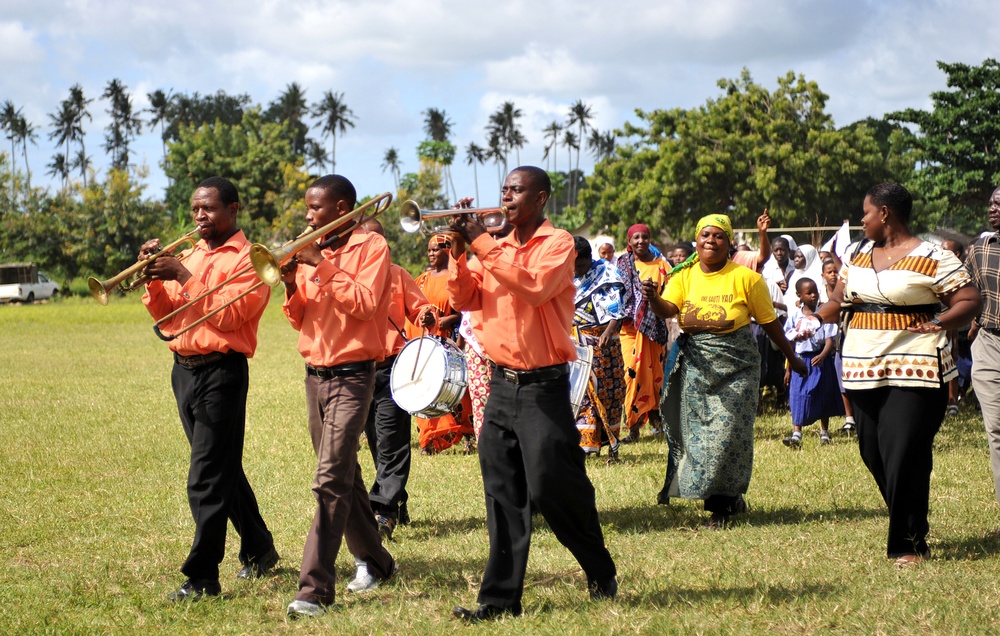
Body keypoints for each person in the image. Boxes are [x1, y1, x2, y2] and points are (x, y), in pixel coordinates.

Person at [447, 166, 617, 622]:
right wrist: (460, 252)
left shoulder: (558, 244)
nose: (506, 197)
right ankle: (499, 601)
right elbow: (464, 299)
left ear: (540, 198)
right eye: (504, 189)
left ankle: (599, 568)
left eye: (516, 190)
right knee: (501, 492)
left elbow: (536, 288)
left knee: (552, 487)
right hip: (500, 383)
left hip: (543, 386)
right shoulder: (493, 248)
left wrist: (481, 242)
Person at [809, 182, 979, 567]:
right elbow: (839, 300)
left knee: (902, 451)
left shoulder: (933, 256)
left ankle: (906, 544)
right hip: (863, 367)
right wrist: (816, 318)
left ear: (884, 213)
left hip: (918, 367)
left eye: (866, 212)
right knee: (874, 452)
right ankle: (914, 518)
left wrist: (938, 321)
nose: (862, 220)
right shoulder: (856, 252)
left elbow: (969, 300)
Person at [140, 176, 278, 601]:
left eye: (210, 209)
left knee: (205, 477)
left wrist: (182, 274)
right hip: (184, 371)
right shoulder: (193, 253)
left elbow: (232, 315)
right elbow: (167, 316)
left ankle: (202, 576)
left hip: (222, 372)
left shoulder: (250, 259)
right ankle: (259, 548)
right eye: (196, 208)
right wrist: (152, 278)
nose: (200, 215)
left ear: (233, 210)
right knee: (222, 469)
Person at [642, 213, 807, 528]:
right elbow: (669, 310)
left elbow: (770, 324)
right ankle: (728, 497)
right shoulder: (685, 276)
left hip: (738, 365)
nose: (711, 241)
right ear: (697, 241)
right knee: (700, 435)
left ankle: (722, 507)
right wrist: (653, 298)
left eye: (718, 236)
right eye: (705, 235)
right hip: (696, 365)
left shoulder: (747, 278)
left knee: (727, 434)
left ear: (729, 242)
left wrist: (793, 358)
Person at [280, 175, 397, 618]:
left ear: (342, 206)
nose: (308, 216)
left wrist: (321, 264)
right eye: (307, 208)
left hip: (352, 376)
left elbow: (366, 304)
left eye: (316, 208)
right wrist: (293, 282)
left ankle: (313, 589)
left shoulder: (372, 248)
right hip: (315, 376)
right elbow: (301, 318)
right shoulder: (315, 250)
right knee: (343, 475)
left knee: (329, 480)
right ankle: (380, 561)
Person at [359, 219, 435, 543]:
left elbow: (421, 308)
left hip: (393, 369)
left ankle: (384, 511)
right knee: (377, 443)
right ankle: (396, 501)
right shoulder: (348, 279)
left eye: (377, 240)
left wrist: (426, 314)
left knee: (393, 444)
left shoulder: (398, 275)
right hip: (359, 372)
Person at [410, 234, 475, 454]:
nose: (430, 254)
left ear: (448, 250)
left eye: (435, 249)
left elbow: (466, 309)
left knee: (458, 390)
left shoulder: (455, 278)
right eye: (429, 250)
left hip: (452, 341)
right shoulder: (422, 279)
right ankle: (429, 439)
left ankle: (467, 434)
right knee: (427, 388)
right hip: (427, 342)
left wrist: (449, 319)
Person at [572, 236, 627, 460]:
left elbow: (617, 309)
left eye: (580, 265)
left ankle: (610, 444)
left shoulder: (606, 274)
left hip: (604, 345)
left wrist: (606, 332)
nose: (576, 269)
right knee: (582, 394)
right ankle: (584, 444)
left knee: (607, 393)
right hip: (576, 344)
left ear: (589, 258)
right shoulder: (565, 275)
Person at [964, 188, 1000, 523]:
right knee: (997, 430)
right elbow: (966, 292)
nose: (993, 207)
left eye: (999, 203)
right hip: (989, 345)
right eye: (991, 202)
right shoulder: (979, 250)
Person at [617, 224, 670, 441]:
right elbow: (617, 295)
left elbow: (670, 294)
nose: (641, 241)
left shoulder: (662, 265)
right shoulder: (622, 264)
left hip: (653, 330)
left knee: (654, 377)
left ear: (650, 239)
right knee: (631, 376)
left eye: (645, 237)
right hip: (629, 330)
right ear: (629, 241)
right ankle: (633, 428)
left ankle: (658, 424)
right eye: (636, 237)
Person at [781, 278, 844, 448]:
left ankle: (824, 433)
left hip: (819, 360)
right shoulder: (795, 315)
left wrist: (823, 355)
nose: (814, 295)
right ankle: (796, 434)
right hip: (801, 361)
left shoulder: (824, 314)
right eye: (809, 293)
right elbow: (790, 342)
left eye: (815, 291)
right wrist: (789, 367)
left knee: (823, 394)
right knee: (798, 395)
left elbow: (830, 341)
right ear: (799, 295)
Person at [821, 258, 856, 433]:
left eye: (836, 271)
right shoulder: (818, 294)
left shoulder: (849, 289)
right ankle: (849, 418)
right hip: (831, 343)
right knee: (841, 377)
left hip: (850, 336)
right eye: (830, 272)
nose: (834, 275)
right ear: (823, 275)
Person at [941, 239, 972, 415]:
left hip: (963, 326)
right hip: (942, 324)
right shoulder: (935, 270)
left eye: (946, 250)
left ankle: (958, 396)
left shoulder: (966, 272)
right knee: (947, 360)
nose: (941, 252)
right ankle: (951, 398)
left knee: (961, 364)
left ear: (957, 254)